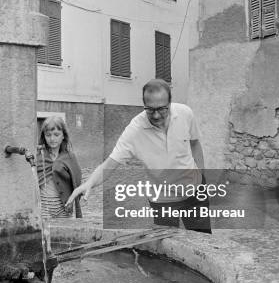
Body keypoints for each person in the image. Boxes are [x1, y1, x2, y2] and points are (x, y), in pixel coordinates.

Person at [66, 79, 212, 233]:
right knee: (165, 245)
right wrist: (89, 183)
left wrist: (202, 176)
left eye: (161, 109)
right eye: (150, 109)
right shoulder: (134, 130)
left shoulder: (185, 114)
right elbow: (110, 163)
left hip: (195, 193)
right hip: (163, 200)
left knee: (202, 240)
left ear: (170, 103)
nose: (156, 115)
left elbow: (195, 144)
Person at [37, 116, 82, 219]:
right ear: (44, 136)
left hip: (64, 209)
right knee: (45, 234)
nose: (52, 139)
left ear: (63, 136)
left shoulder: (69, 157)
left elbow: (77, 181)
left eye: (56, 135)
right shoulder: (39, 156)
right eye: (48, 135)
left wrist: (72, 199)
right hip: (44, 209)